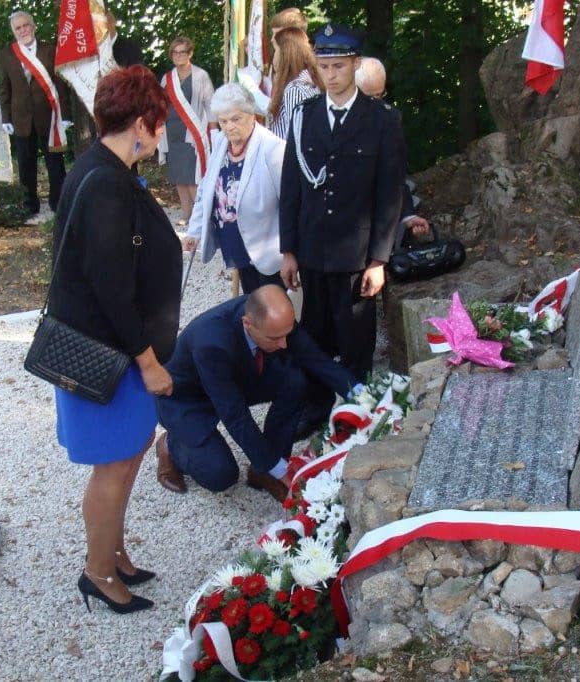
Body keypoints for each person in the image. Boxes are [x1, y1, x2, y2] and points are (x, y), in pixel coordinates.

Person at [50, 65, 182, 615]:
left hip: (115, 351)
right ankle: (99, 573)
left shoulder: (104, 167)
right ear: (140, 124)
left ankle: (115, 553)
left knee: (127, 459)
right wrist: (148, 362)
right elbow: (111, 289)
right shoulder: (105, 182)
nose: (161, 133)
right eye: (159, 123)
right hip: (110, 356)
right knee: (114, 465)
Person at [279, 24, 407, 428]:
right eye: (324, 66)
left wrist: (379, 261)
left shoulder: (382, 119)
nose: (331, 74)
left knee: (356, 340)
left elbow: (389, 194)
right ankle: (315, 411)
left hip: (356, 254)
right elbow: (291, 187)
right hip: (312, 250)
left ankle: (355, 413)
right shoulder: (304, 116)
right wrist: (289, 250)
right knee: (313, 337)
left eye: (339, 66)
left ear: (356, 64)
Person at [154, 285, 358, 502]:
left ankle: (265, 470)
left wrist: (362, 393)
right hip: (190, 399)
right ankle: (170, 446)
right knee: (221, 475)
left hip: (233, 378)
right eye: (275, 338)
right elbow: (234, 415)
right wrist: (283, 471)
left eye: (286, 335)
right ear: (247, 324)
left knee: (294, 381)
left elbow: (314, 357)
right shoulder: (211, 343)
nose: (284, 344)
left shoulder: (274, 317)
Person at [182, 83, 285, 294]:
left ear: (252, 115)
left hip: (268, 250)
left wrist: (292, 251)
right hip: (237, 244)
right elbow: (206, 189)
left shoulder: (273, 148)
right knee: (251, 303)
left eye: (235, 119)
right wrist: (194, 230)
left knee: (273, 306)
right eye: (223, 121)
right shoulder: (222, 142)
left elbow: (290, 203)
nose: (229, 127)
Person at [0, 10, 73, 216]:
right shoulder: (6, 55)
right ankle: (29, 206)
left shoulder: (50, 50)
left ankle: (59, 204)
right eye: (18, 28)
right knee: (25, 164)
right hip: (21, 118)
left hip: (49, 116)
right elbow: (5, 89)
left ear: (33, 26)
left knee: (55, 163)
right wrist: (6, 118)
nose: (23, 30)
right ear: (14, 31)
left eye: (26, 25)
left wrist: (65, 115)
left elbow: (60, 84)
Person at [355, 57, 430, 242]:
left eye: (380, 95)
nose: (376, 103)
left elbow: (396, 175)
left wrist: (408, 216)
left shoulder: (390, 119)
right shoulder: (329, 118)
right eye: (369, 97)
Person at [157, 36, 214, 225]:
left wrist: (214, 133)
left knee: (192, 176)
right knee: (179, 177)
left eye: (182, 52)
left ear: (190, 53)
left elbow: (210, 105)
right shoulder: (167, 78)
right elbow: (160, 104)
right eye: (175, 52)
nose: (178, 55)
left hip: (193, 133)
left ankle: (200, 217)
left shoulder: (201, 76)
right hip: (172, 132)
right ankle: (186, 214)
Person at [267, 27, 323, 140]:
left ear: (285, 53)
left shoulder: (295, 89)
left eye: (276, 50)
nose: (274, 56)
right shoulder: (308, 80)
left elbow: (299, 138)